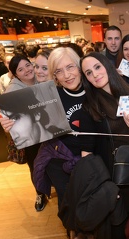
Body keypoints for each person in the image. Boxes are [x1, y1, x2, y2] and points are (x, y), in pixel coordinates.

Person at [79, 52, 129, 239]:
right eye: (88, 72)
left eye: (97, 67)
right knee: (121, 235)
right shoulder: (89, 107)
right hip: (114, 182)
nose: (94, 74)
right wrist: (100, 187)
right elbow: (87, 154)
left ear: (107, 65)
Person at [33, 46, 94, 209]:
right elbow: (33, 125)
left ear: (79, 67)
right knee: (67, 200)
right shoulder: (50, 96)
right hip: (61, 157)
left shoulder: (94, 90)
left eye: (70, 67)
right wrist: (12, 124)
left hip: (93, 156)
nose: (66, 75)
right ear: (55, 76)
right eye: (59, 71)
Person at [0, 54, 48, 212]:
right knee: (35, 164)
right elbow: (7, 117)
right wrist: (5, 122)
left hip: (49, 129)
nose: (26, 70)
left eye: (27, 65)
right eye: (20, 69)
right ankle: (40, 193)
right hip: (31, 136)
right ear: (15, 74)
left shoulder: (42, 78)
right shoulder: (13, 91)